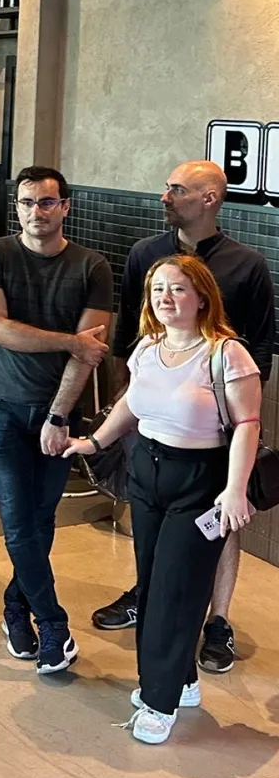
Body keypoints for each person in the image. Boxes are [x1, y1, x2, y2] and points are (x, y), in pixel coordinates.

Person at [62, 255, 260, 744]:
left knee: (176, 589)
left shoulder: (225, 353)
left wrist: (235, 489)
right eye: (157, 291)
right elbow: (132, 402)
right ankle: (181, 680)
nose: (165, 299)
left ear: (202, 297)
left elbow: (247, 426)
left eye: (177, 289)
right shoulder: (149, 347)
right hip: (147, 473)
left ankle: (159, 699)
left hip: (200, 479)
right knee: (152, 582)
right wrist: (96, 442)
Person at [92, 159, 274, 675]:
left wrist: (229, 414)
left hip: (218, 423)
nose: (164, 196)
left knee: (218, 522)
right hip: (153, 416)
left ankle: (217, 620)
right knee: (150, 514)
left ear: (210, 198)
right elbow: (135, 333)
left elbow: (258, 349)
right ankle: (148, 592)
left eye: (176, 189)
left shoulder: (247, 265)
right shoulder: (146, 254)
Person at [0, 166, 113, 674]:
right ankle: (52, 623)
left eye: (46, 203)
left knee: (39, 522)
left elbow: (89, 354)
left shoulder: (92, 265)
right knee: (16, 523)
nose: (36, 212)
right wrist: (71, 340)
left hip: (58, 414)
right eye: (27, 203)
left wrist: (58, 415)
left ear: (65, 207)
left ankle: (14, 608)